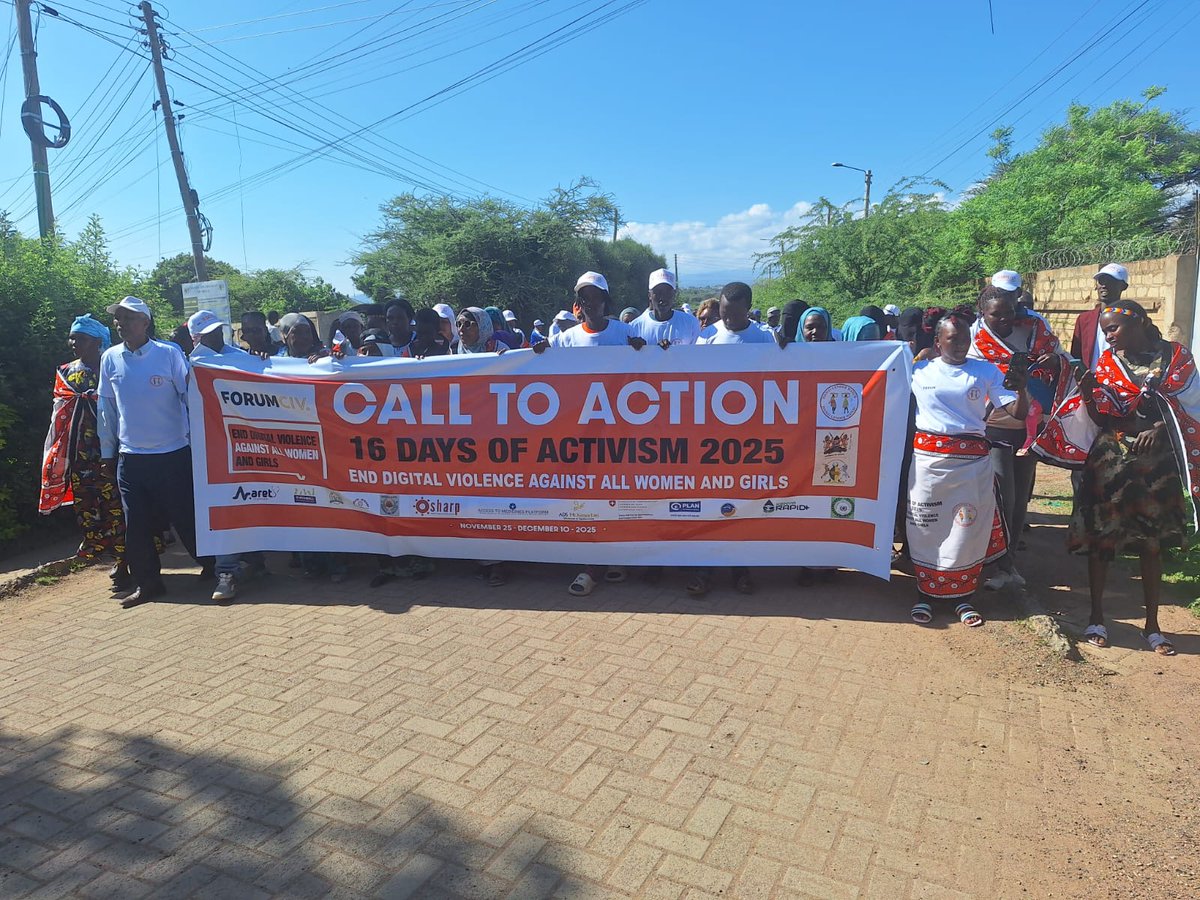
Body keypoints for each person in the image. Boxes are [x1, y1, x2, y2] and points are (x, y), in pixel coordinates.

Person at [1040, 299, 1195, 656]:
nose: (1108, 336)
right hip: (1112, 460)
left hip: (1157, 465)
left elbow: (1190, 403)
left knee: (1151, 544)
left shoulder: (1177, 358)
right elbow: (1100, 414)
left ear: (1139, 321)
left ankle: (1153, 627)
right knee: (1103, 541)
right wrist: (1086, 390)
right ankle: (1097, 618)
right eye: (1105, 330)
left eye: (1114, 328)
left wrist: (1159, 426)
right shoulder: (1108, 362)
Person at [907, 306, 1028, 628]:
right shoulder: (919, 371)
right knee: (925, 528)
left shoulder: (986, 371)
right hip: (928, 464)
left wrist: (1022, 387)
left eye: (964, 339)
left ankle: (963, 598)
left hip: (972, 465)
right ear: (938, 341)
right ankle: (925, 594)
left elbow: (1016, 413)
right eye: (952, 340)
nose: (960, 345)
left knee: (966, 530)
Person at [98, 297, 205, 608]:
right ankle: (149, 584)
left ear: (145, 322)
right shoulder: (110, 358)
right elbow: (107, 409)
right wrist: (108, 452)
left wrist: (200, 441)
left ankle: (214, 565)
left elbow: (191, 398)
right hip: (131, 459)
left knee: (186, 517)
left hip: (173, 454)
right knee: (137, 525)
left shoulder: (168, 354)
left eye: (128, 318)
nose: (121, 324)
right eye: (118, 319)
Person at [969, 287, 1071, 590]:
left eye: (1008, 312)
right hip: (996, 429)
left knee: (1020, 501)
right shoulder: (976, 345)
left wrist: (1054, 361)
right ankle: (994, 562)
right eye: (995, 314)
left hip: (1032, 428)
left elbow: (1067, 363)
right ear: (982, 314)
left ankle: (1009, 563)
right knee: (1004, 497)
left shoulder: (1035, 334)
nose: (1003, 319)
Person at [40, 314, 133, 592]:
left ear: (96, 341)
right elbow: (61, 412)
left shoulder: (111, 367)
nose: (72, 343)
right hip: (80, 455)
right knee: (90, 508)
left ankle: (125, 561)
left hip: (112, 451)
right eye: (71, 337)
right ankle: (104, 552)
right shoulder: (66, 372)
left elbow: (124, 406)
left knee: (118, 508)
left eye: (79, 338)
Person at [187, 310, 268, 602]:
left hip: (249, 441)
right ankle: (227, 571)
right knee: (224, 505)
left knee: (252, 499)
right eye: (208, 332)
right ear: (197, 336)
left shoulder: (240, 356)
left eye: (218, 329)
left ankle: (255, 563)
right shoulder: (193, 364)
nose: (215, 335)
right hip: (214, 449)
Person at [545, 273, 635, 348]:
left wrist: (642, 349)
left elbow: (641, 362)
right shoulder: (568, 338)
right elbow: (545, 348)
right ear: (579, 303)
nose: (590, 303)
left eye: (596, 297)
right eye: (585, 298)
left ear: (605, 300)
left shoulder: (626, 333)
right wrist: (540, 348)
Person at [1071, 263, 1128, 372]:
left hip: (1120, 384)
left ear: (1123, 286)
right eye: (1101, 281)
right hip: (1089, 384)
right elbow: (1076, 356)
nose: (1104, 285)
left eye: (1110, 281)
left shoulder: (1130, 319)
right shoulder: (1084, 320)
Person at [630, 268, 700, 347]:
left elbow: (697, 355)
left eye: (667, 292)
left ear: (674, 294)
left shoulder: (690, 323)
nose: (663, 298)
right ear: (649, 295)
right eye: (658, 292)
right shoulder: (635, 327)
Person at [696, 282, 776, 345]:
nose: (729, 320)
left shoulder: (765, 337)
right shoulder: (707, 336)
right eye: (725, 313)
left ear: (748, 308)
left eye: (736, 314)